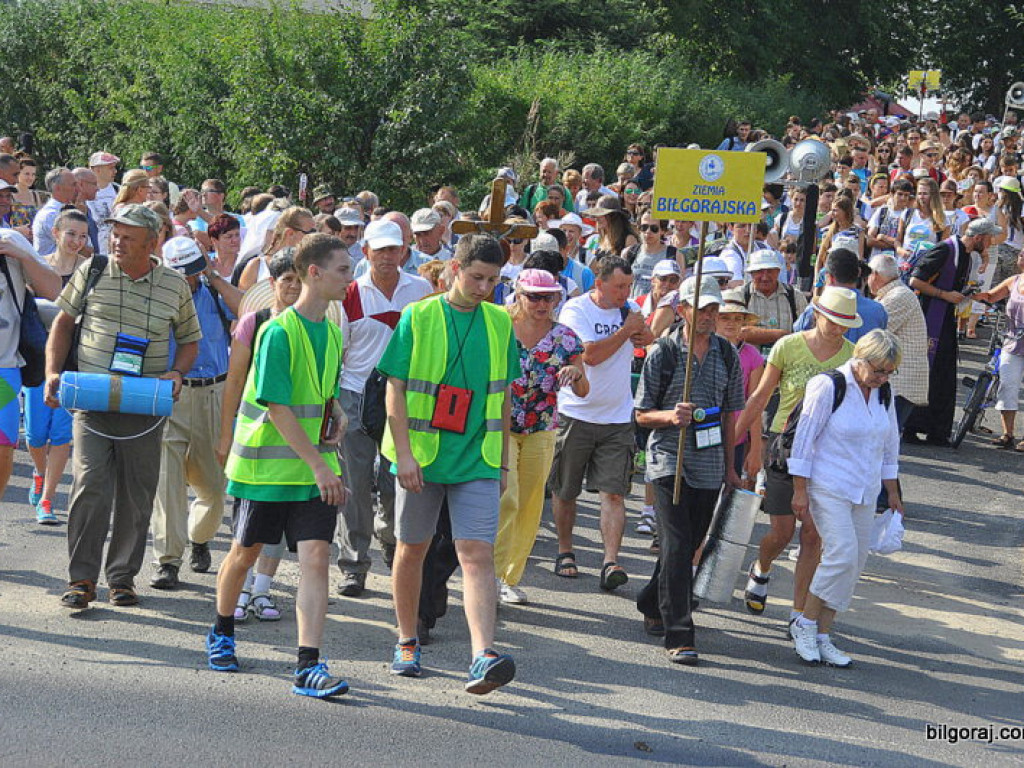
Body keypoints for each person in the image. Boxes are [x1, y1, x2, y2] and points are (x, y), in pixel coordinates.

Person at [207, 233, 352, 698]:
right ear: (315, 272)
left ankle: (307, 664)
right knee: (244, 554)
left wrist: (338, 414)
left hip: (313, 471)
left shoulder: (331, 330)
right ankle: (222, 630)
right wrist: (320, 466)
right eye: (343, 270)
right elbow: (277, 407)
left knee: (315, 558)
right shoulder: (276, 331)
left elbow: (321, 393)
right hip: (267, 470)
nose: (350, 280)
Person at [379, 233, 521, 695]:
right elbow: (395, 388)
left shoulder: (501, 322)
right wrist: (403, 454)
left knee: (477, 555)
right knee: (412, 548)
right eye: (477, 277)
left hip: (477, 457)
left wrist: (501, 464)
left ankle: (482, 656)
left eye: (494, 281)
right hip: (421, 456)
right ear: (454, 269)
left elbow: (503, 396)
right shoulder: (419, 316)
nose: (484, 288)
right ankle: (406, 641)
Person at [44, 204, 201, 609]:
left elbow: (189, 340)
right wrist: (52, 373)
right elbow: (62, 324)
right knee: (90, 486)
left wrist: (178, 374)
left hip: (144, 404)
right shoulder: (92, 270)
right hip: (92, 399)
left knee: (137, 494)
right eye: (114, 233)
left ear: (153, 243)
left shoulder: (174, 285)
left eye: (127, 236)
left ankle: (121, 579)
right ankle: (81, 579)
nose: (117, 241)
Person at [634, 275, 744, 665]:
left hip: (710, 462)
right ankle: (680, 633)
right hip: (668, 460)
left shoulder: (727, 355)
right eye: (704, 309)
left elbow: (732, 415)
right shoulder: (662, 353)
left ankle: (651, 600)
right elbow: (642, 414)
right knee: (677, 546)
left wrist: (733, 469)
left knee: (688, 545)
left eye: (715, 310)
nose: (711, 317)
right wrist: (670, 416)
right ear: (682, 311)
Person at [734, 287, 859, 627]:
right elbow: (760, 397)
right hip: (784, 444)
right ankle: (761, 568)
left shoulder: (852, 356)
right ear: (817, 313)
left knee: (813, 536)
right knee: (781, 532)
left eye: (844, 323)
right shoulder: (788, 345)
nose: (837, 328)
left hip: (826, 451)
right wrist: (738, 442)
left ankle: (799, 614)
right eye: (832, 320)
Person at [788, 330, 903, 666]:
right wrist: (799, 490)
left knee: (855, 564)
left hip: (865, 488)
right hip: (829, 485)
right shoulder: (829, 385)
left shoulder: (884, 391)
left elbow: (890, 441)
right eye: (878, 370)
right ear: (860, 358)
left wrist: (892, 491)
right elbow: (803, 440)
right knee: (841, 555)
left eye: (888, 372)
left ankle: (824, 634)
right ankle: (805, 623)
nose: (882, 378)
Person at [335, 219, 432, 596]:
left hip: (403, 399)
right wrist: (335, 405)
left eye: (394, 249)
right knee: (355, 484)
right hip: (356, 394)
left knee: (397, 481)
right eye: (381, 250)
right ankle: (354, 562)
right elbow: (339, 352)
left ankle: (393, 540)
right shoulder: (350, 293)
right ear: (367, 252)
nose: (388, 257)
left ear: (404, 251)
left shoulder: (421, 289)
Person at [549, 256, 654, 587]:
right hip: (575, 414)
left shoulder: (628, 312)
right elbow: (589, 355)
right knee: (566, 489)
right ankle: (566, 550)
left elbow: (646, 338)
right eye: (619, 286)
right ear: (599, 283)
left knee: (614, 493)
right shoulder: (576, 310)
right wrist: (627, 331)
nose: (625, 292)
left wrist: (639, 329)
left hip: (617, 416)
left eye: (628, 286)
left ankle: (611, 562)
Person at [150, 237, 242, 590]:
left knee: (214, 488)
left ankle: (199, 538)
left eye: (193, 271)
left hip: (214, 394)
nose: (188, 279)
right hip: (169, 395)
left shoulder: (214, 293)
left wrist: (214, 277)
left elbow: (248, 310)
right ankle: (167, 561)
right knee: (168, 485)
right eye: (182, 272)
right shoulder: (157, 297)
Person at [216, 249, 301, 622]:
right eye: (287, 280)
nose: (295, 288)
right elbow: (234, 380)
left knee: (278, 526)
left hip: (295, 441)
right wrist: (225, 433)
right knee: (248, 524)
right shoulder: (255, 322)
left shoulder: (320, 325)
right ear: (273, 283)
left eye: (301, 280)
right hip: (255, 441)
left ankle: (262, 590)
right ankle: (239, 589)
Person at [494, 269, 587, 604]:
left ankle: (508, 577)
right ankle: (490, 573)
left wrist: (576, 373)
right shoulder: (499, 323)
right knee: (508, 498)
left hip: (542, 427)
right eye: (534, 296)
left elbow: (584, 388)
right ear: (518, 293)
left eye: (549, 297)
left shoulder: (565, 337)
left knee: (531, 505)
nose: (542, 303)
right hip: (499, 424)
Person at [905, 218, 1001, 445]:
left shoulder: (967, 255)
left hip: (946, 318)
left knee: (944, 376)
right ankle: (912, 427)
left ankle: (937, 431)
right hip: (930, 317)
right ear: (978, 237)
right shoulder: (945, 249)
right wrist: (944, 295)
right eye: (988, 238)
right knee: (928, 373)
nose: (990, 243)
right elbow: (915, 280)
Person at [22, 209, 88, 524]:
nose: (76, 241)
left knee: (61, 433)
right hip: (37, 359)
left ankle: (47, 499)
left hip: (74, 360)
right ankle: (39, 472)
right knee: (36, 435)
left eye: (82, 236)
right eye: (71, 234)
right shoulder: (37, 268)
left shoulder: (90, 271)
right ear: (56, 233)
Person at [0, 226, 61, 507]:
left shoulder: (9, 240)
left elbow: (52, 289)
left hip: (3, 368)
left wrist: (22, 256)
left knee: (2, 449)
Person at [866, 254, 929, 432]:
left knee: (884, 438)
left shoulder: (898, 297)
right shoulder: (895, 294)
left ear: (875, 275)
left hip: (901, 382)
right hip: (898, 379)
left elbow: (873, 333)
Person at [974, 247, 1024, 450]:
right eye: (1021, 255)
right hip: (1013, 341)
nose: (1022, 258)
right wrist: (972, 295)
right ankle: (1007, 434)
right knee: (1007, 385)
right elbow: (991, 297)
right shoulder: (1014, 281)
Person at [795, 249, 888, 342]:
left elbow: (798, 334)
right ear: (859, 273)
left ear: (829, 278)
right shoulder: (878, 311)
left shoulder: (818, 308)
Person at [740, 249, 808, 354]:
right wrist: (781, 335)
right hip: (749, 367)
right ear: (751, 273)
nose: (765, 277)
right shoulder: (740, 296)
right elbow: (738, 332)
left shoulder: (795, 297)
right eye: (759, 271)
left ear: (778, 271)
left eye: (770, 271)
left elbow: (806, 334)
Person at [31, 168, 78, 256]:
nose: (77, 189)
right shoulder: (51, 215)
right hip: (51, 268)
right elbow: (74, 245)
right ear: (57, 188)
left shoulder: (68, 209)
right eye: (73, 185)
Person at [86, 152, 120, 255]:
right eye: (111, 168)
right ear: (97, 170)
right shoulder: (83, 192)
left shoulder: (119, 190)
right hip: (93, 252)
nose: (115, 171)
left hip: (115, 251)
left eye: (115, 167)